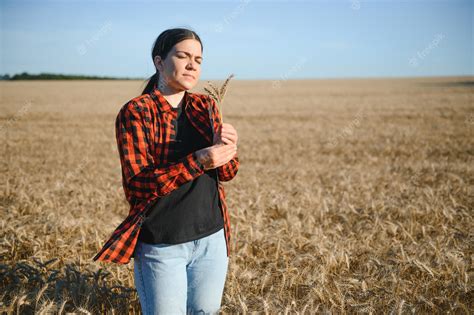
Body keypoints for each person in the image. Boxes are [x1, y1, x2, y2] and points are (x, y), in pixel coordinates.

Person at [92, 28, 240, 314]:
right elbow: (138, 185)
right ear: (159, 62)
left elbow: (227, 173)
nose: (192, 64)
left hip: (211, 239)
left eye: (198, 59)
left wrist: (227, 148)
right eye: (182, 56)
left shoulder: (206, 106)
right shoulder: (137, 112)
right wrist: (199, 160)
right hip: (162, 245)